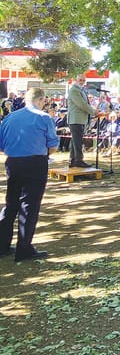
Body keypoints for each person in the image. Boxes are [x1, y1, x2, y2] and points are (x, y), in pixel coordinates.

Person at [0, 88, 59, 262]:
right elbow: (53, 145)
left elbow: (2, 145)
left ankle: (2, 245)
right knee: (29, 205)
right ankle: (24, 248)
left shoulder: (9, 118)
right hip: (35, 162)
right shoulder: (44, 117)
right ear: (40, 100)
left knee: (11, 204)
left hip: (13, 162)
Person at [67, 75, 96, 168]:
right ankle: (79, 160)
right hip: (76, 119)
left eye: (83, 80)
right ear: (76, 80)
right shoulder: (74, 90)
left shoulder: (81, 90)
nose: (82, 81)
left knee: (75, 141)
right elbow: (82, 104)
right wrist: (93, 112)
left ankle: (73, 160)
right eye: (80, 80)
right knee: (77, 141)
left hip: (79, 119)